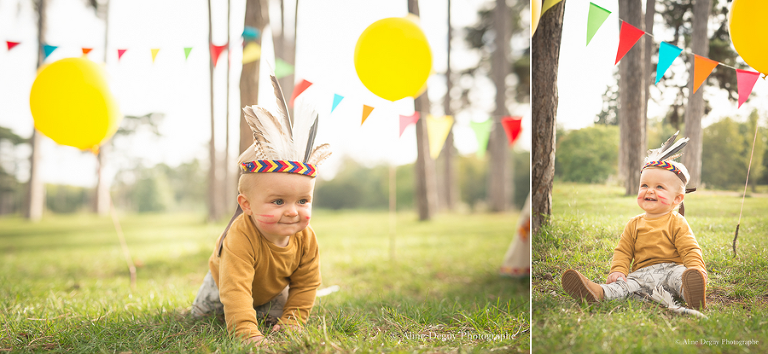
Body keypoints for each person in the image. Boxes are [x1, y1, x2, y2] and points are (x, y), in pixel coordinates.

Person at [191, 75, 332, 347]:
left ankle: (265, 310)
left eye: (303, 201)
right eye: (278, 202)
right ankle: (225, 312)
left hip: (272, 288)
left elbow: (306, 285)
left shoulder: (306, 239)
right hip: (224, 283)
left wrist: (293, 321)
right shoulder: (240, 236)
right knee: (205, 315)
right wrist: (247, 334)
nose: (292, 211)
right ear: (246, 205)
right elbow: (235, 289)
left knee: (275, 315)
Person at [561, 133, 707, 310]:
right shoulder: (634, 224)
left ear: (677, 198)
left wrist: (696, 269)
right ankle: (598, 292)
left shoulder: (677, 222)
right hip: (642, 276)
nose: (649, 191)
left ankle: (691, 292)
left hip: (672, 270)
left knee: (681, 276)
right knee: (624, 285)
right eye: (644, 185)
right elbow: (623, 250)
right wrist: (618, 270)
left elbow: (690, 249)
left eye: (659, 187)